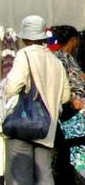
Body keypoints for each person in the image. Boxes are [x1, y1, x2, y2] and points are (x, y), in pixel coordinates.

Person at [5, 15, 71, 185]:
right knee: (44, 176)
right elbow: (65, 97)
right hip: (47, 128)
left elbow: (13, 87)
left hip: (23, 124)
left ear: (26, 37)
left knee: (20, 177)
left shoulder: (24, 55)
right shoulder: (56, 61)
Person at [50, 25, 85, 184]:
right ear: (72, 40)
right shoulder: (65, 58)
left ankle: (64, 176)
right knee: (75, 144)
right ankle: (73, 178)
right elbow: (73, 82)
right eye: (77, 39)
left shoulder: (52, 57)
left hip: (59, 109)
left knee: (61, 147)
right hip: (69, 109)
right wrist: (77, 99)